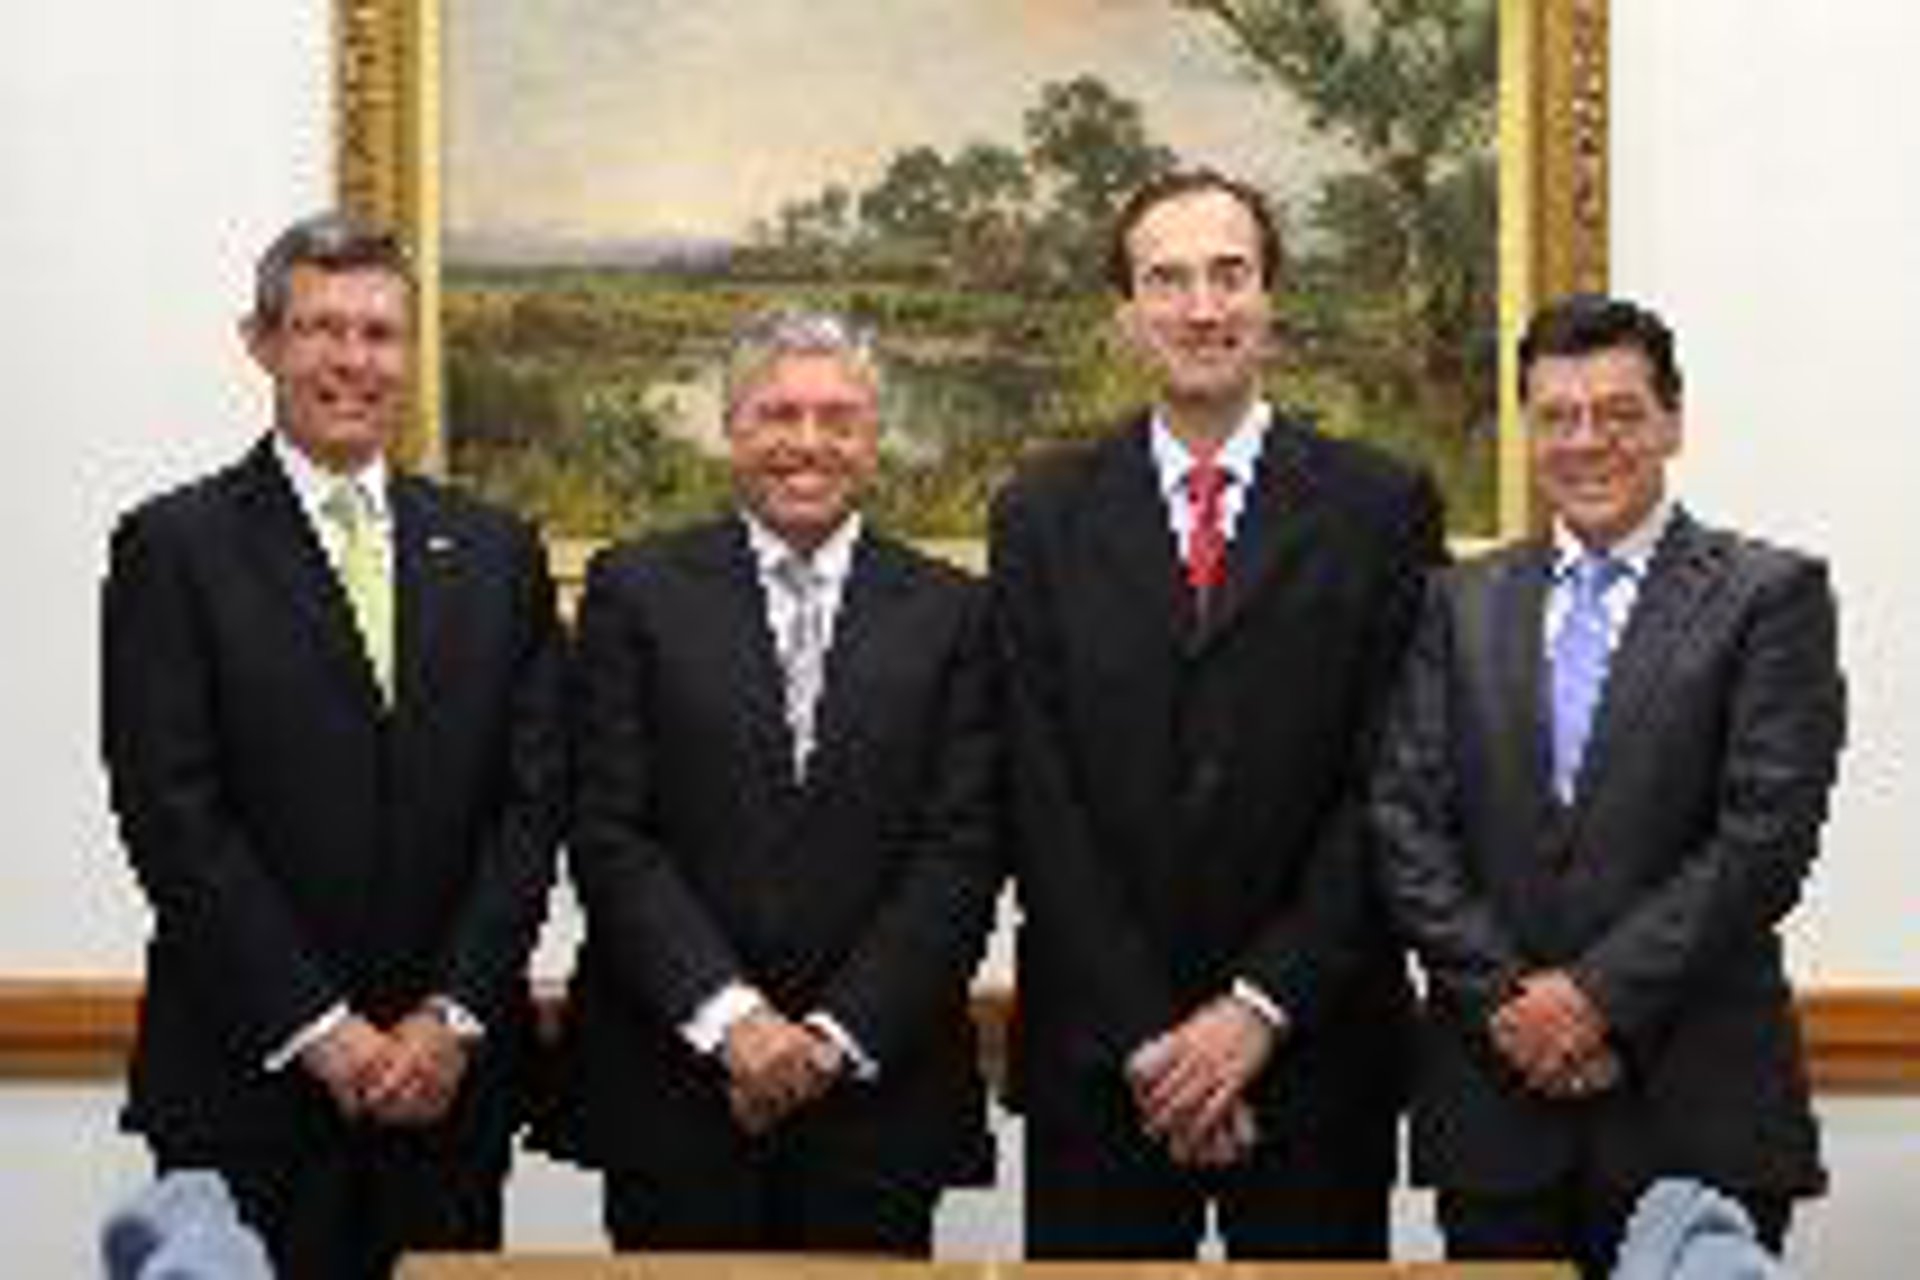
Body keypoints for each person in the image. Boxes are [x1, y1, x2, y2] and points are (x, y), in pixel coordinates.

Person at [989, 169, 1447, 1259]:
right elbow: (1035, 795)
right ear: (1126, 313)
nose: (1203, 307)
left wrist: (1257, 1007)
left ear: (1271, 298)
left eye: (1230, 274)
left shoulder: (1381, 507)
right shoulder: (1040, 514)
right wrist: (1151, 1037)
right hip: (1104, 1060)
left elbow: (1394, 785)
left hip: (1315, 1051)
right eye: (1168, 279)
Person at [100, 212, 566, 1279]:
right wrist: (324, 1029)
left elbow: (532, 807)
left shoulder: (496, 551)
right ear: (262, 343)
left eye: (379, 333)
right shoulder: (174, 547)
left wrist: (449, 1016)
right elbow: (173, 815)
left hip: (448, 1092)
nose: (354, 360)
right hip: (248, 1083)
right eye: (321, 329)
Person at [1370, 294, 1845, 1278]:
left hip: (1697, 1107)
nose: (1587, 442)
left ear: (1672, 421)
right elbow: (1407, 823)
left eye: (1620, 413)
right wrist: (1512, 1001)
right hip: (1497, 1107)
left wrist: (1593, 998)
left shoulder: (1769, 596)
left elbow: (1764, 840)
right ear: (1529, 430)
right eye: (1558, 416)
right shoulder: (1455, 603)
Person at [536, 307, 1001, 1254]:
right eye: (778, 414)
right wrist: (734, 1020)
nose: (807, 442)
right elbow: (609, 832)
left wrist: (832, 1038)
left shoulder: (955, 612)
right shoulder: (636, 589)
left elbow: (962, 848)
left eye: (838, 418)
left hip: (876, 1095)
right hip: (674, 1088)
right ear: (732, 427)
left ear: (875, 436)